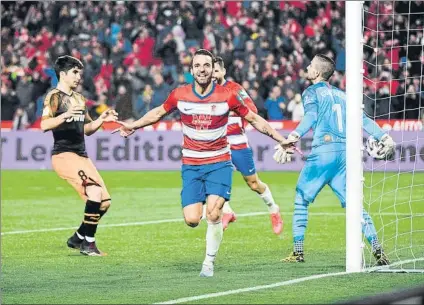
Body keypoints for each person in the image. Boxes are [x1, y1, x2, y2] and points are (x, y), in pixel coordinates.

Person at [113, 49, 293, 277]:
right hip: (192, 165)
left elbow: (254, 118)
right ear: (191, 70)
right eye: (197, 65)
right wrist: (134, 125)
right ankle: (217, 220)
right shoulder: (180, 94)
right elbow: (158, 112)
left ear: (213, 69)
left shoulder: (228, 95)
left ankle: (208, 263)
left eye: (206, 65)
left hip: (219, 161)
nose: (203, 69)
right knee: (191, 219)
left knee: (214, 214)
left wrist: (281, 139)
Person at [276, 54, 395, 265]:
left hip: (324, 152)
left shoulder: (311, 92)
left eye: (311, 65)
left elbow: (310, 117)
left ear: (317, 72)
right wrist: (383, 136)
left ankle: (298, 251)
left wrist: (292, 137)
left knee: (301, 199)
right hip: (345, 155)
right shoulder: (343, 95)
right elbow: (363, 120)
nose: (308, 67)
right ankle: (377, 248)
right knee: (355, 204)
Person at [40, 55, 118, 256]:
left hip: (82, 156)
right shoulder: (54, 97)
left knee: (105, 202)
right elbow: (44, 125)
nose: (78, 76)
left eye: (79, 73)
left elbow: (87, 129)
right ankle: (88, 244)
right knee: (94, 193)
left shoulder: (79, 99)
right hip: (64, 154)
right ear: (63, 74)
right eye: (75, 72)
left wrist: (101, 119)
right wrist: (65, 115)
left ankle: (78, 237)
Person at [212, 56, 283, 235]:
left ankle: (274, 209)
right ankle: (227, 211)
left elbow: (252, 111)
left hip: (238, 142)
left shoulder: (235, 89)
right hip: (218, 144)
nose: (213, 75)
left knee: (253, 183)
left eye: (216, 71)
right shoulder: (205, 92)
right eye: (210, 71)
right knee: (214, 179)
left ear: (223, 72)